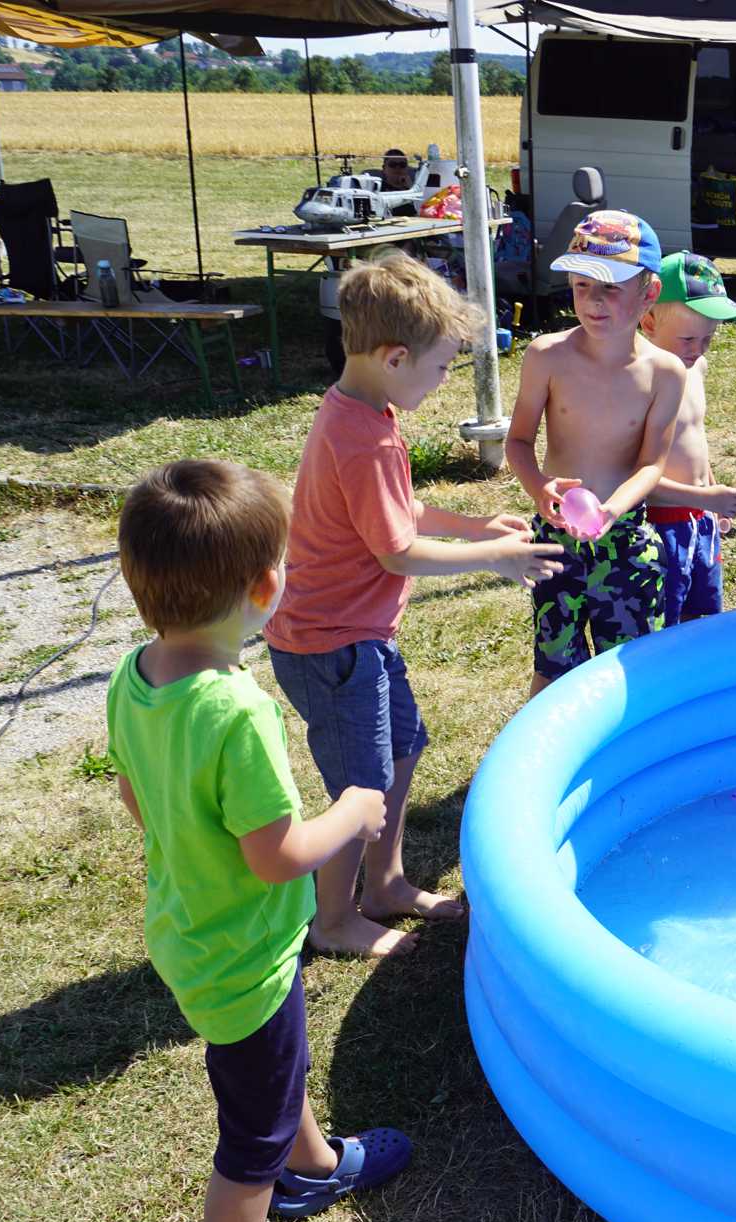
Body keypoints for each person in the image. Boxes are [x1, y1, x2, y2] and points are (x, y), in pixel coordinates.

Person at [106, 459, 415, 1222]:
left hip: (190, 930)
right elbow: (277, 859)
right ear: (268, 584)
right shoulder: (237, 709)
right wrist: (353, 809)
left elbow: (141, 802)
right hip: (241, 954)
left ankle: (315, 1167)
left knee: (272, 1073)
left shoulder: (133, 678)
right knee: (249, 1147)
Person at [265, 252, 563, 958]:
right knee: (358, 788)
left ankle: (386, 884)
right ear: (395, 357)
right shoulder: (361, 437)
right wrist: (498, 557)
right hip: (331, 644)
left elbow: (401, 510)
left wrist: (474, 526)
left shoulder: (367, 412)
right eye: (440, 367)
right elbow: (396, 551)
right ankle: (333, 921)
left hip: (361, 637)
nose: (442, 380)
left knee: (403, 748)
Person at [506, 210, 686, 695]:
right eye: (582, 286)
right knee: (552, 666)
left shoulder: (665, 372)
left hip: (625, 540)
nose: (594, 301)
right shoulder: (546, 356)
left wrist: (611, 509)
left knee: (631, 670)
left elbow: (651, 464)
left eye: (610, 287)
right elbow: (518, 441)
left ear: (648, 293)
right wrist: (540, 489)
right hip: (555, 539)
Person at [639, 251, 736, 625]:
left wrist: (711, 498)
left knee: (704, 623)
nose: (699, 349)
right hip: (657, 527)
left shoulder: (696, 367)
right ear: (648, 321)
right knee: (663, 628)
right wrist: (705, 497)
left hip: (700, 522)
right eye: (688, 338)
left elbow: (695, 441)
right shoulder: (639, 383)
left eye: (709, 337)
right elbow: (637, 480)